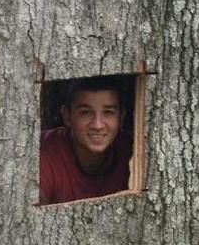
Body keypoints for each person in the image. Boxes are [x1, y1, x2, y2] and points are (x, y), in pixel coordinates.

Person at [39, 77, 132, 205]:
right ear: (67, 116)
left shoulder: (133, 151)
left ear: (121, 118)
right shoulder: (43, 153)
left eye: (108, 112)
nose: (97, 125)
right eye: (86, 112)